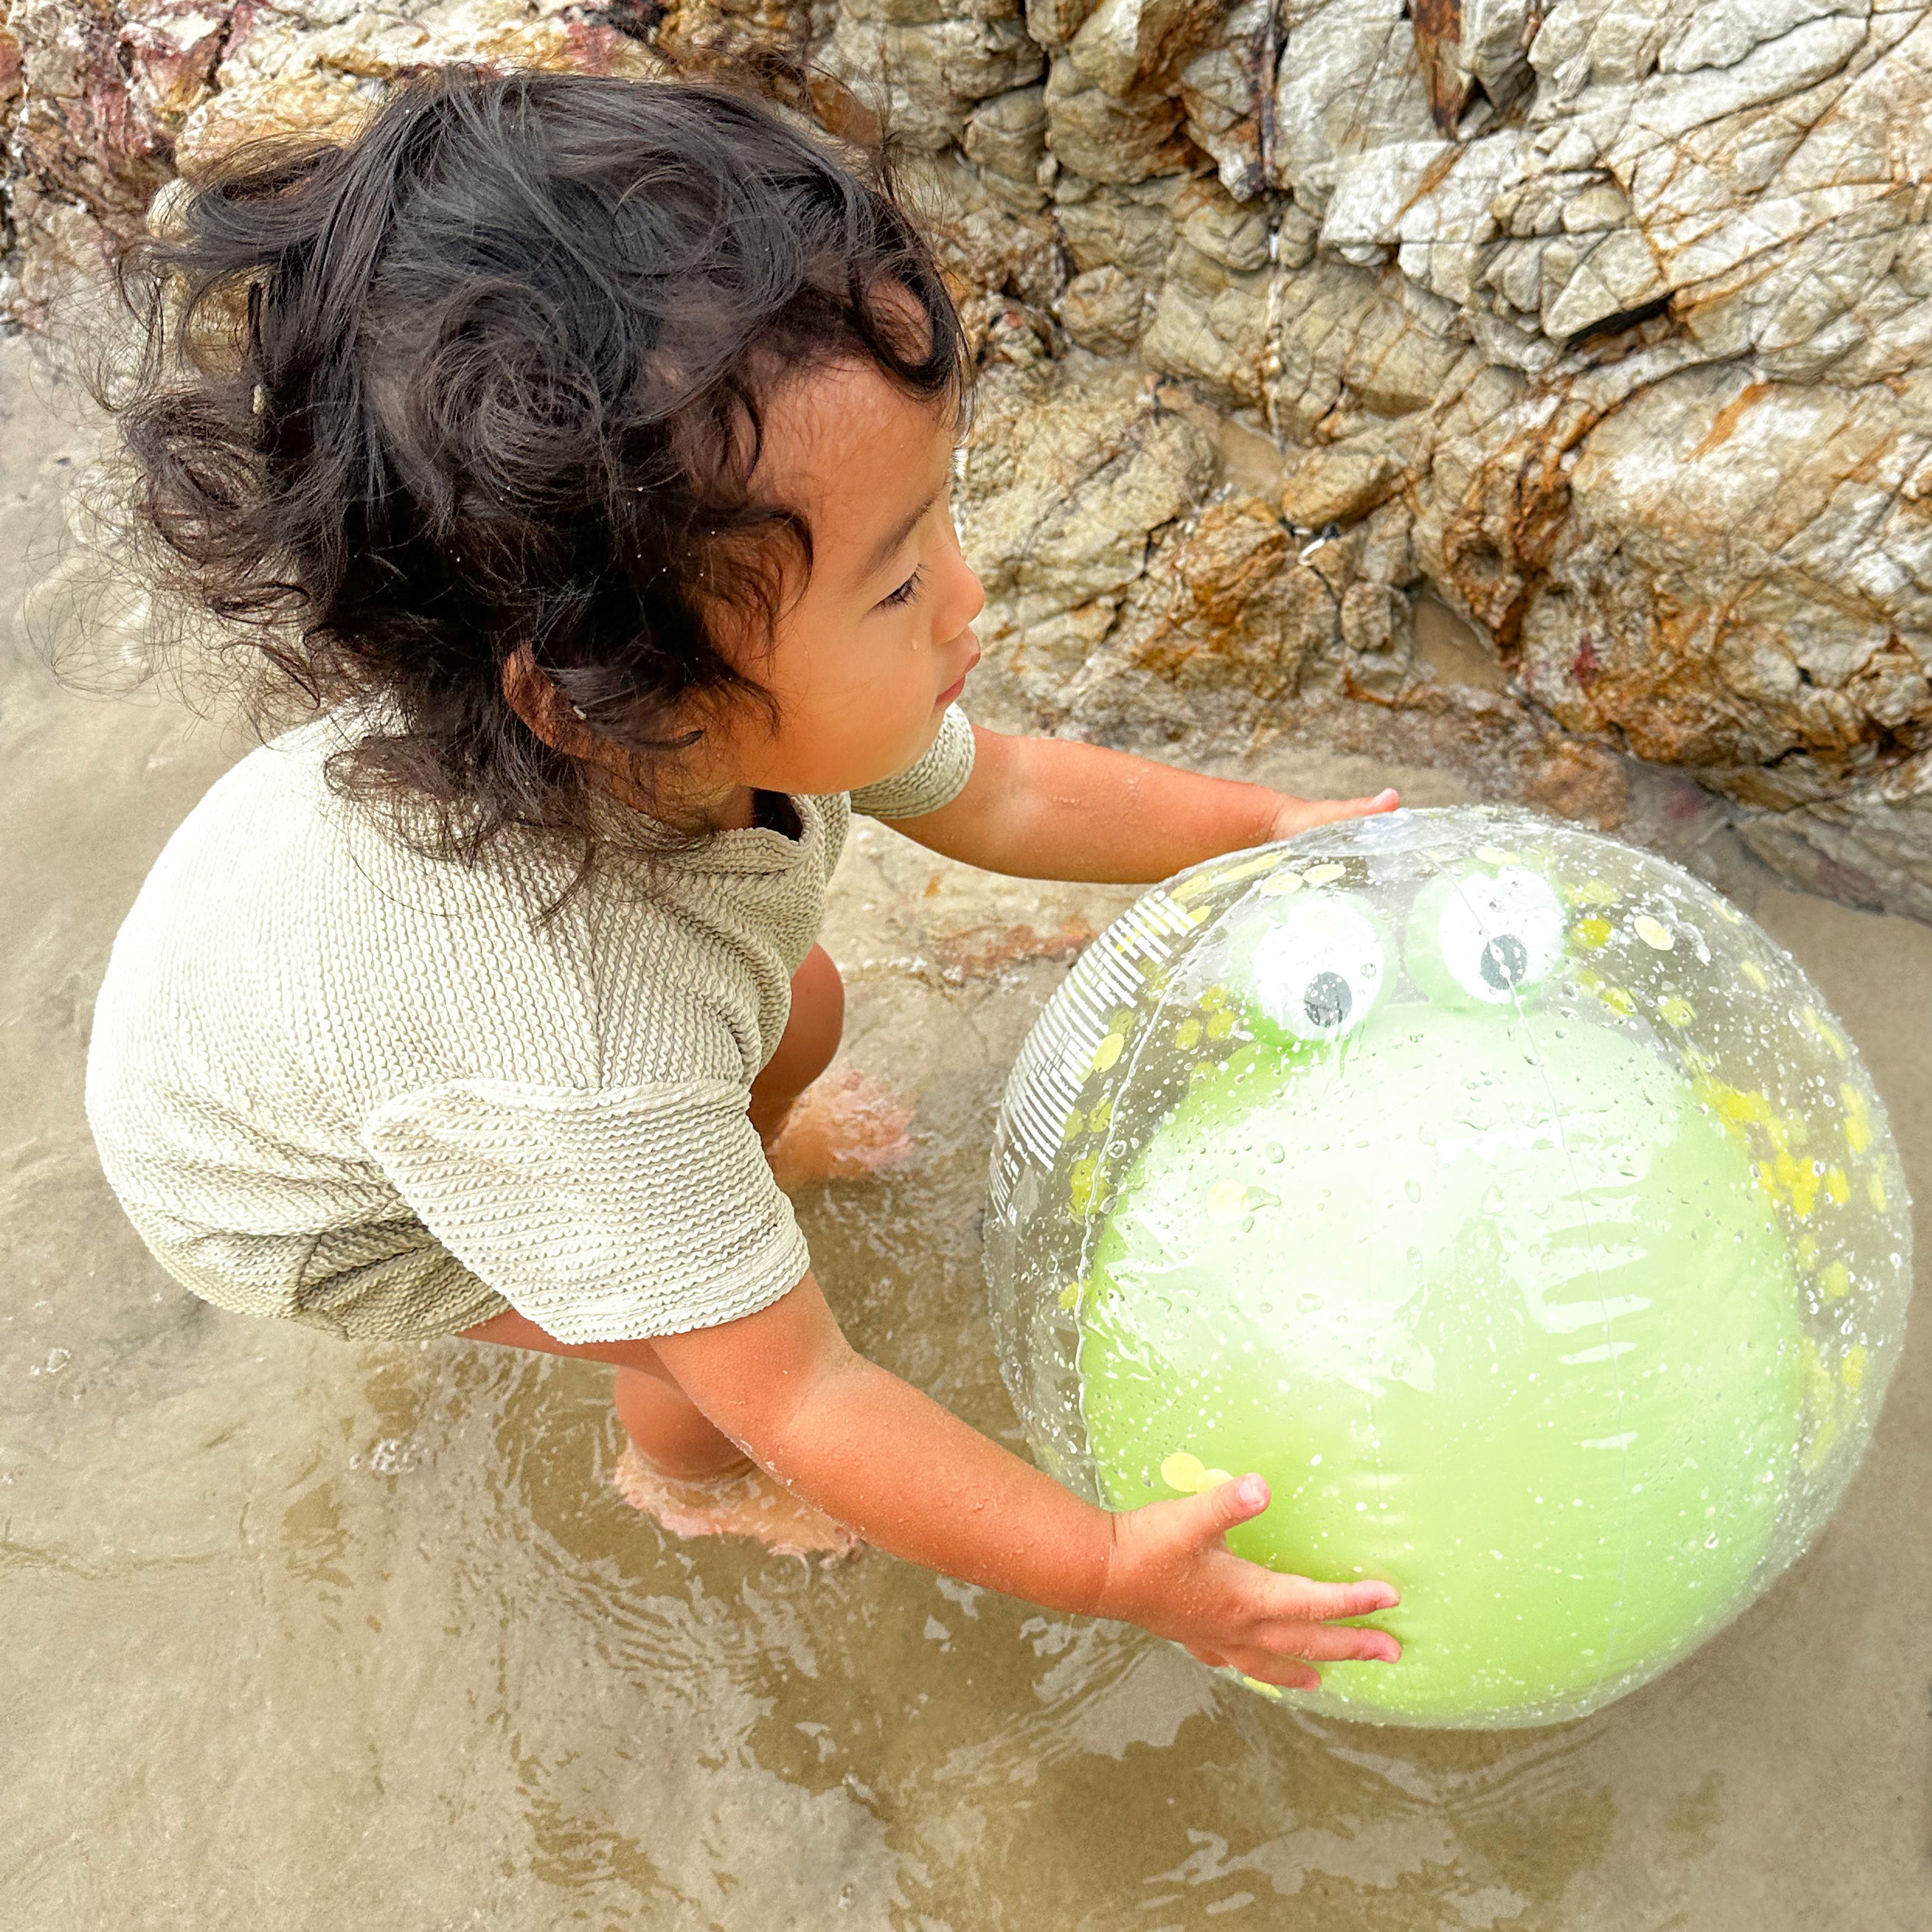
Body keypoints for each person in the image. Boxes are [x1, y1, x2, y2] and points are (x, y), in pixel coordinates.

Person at [85, 65, 1403, 1693]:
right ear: (624, 700)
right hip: (295, 1193)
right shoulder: (580, 1057)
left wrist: (1260, 832)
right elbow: (815, 1395)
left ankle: (735, 1197)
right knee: (694, 1347)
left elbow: (1010, 789)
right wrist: (1113, 1568)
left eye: (943, 526)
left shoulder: (693, 707)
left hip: (292, 988)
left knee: (811, 999)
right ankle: (679, 1489)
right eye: (902, 577)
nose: (969, 607)